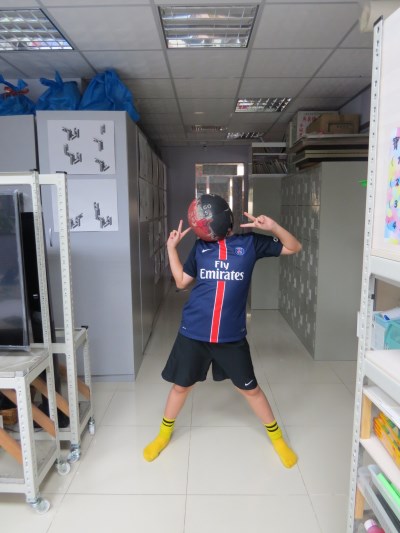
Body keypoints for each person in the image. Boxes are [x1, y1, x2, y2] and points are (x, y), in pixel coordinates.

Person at [143, 195, 302, 468]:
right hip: (193, 332)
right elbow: (181, 282)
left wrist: (273, 227)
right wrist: (171, 248)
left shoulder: (250, 244)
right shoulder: (200, 247)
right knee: (181, 387)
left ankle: (277, 439)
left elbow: (294, 247)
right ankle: (163, 434)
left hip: (230, 337)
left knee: (251, 390)